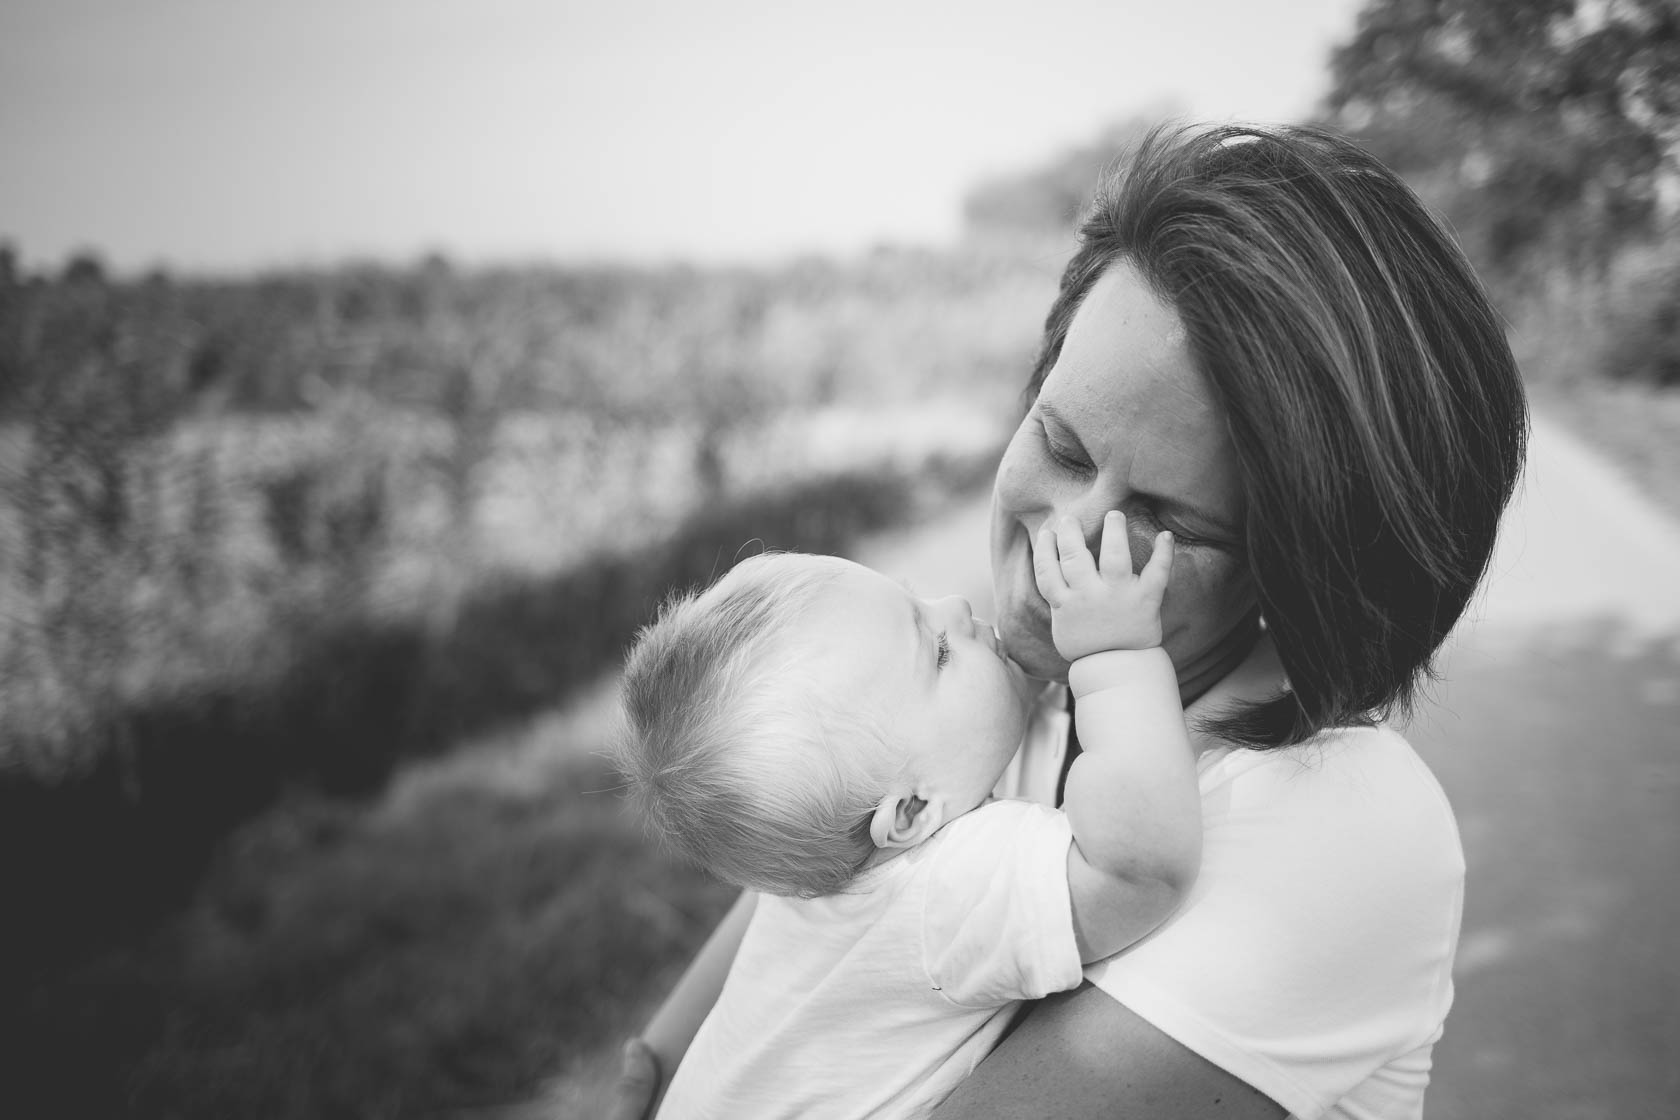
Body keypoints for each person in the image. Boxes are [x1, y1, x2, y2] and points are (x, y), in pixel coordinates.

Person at [605, 122, 1528, 1120]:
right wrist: (655, 1063)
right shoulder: (1008, 702)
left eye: (1167, 519)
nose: (1066, 544)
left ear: (1302, 572)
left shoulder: (1340, 819)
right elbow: (825, 867)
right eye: (1060, 439)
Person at [616, 513, 1193, 1118]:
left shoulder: (814, 875)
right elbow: (1138, 872)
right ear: (912, 811)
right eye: (939, 652)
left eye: (916, 597)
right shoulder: (943, 890)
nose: (955, 607)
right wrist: (1114, 655)